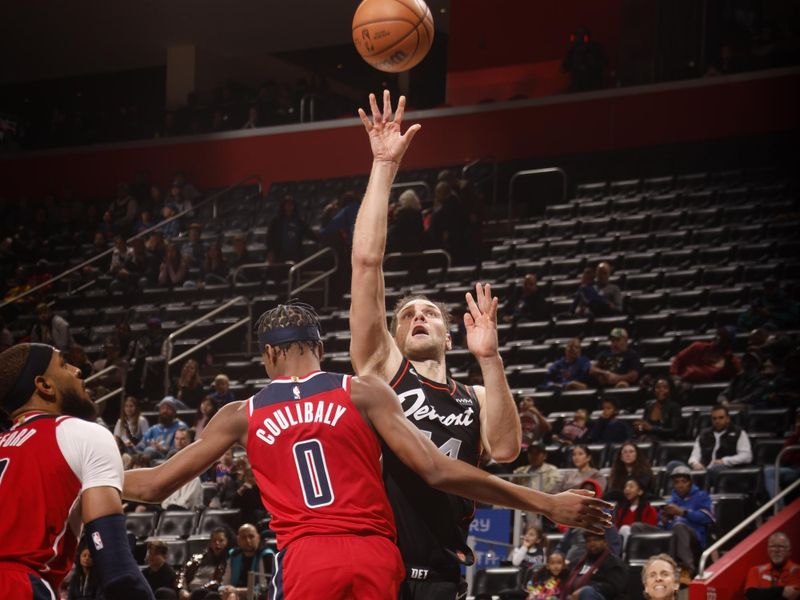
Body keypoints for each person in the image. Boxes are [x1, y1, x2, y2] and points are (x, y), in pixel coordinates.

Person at [122, 302, 612, 600]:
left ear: (268, 354)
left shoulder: (240, 414)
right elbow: (440, 471)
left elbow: (155, 484)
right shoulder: (363, 391)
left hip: (307, 558)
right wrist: (547, 503)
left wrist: (80, 475)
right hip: (378, 555)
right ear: (318, 345)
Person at [351, 91, 523, 598]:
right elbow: (365, 264)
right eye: (406, 315)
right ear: (396, 335)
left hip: (442, 568)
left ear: (449, 333)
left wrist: (490, 360)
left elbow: (508, 449)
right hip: (378, 557)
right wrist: (384, 165)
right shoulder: (383, 368)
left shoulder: (476, 396)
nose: (418, 316)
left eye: (429, 312)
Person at [0, 343, 153, 599]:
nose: (77, 369)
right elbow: (117, 570)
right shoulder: (82, 433)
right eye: (63, 364)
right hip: (17, 588)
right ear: (44, 385)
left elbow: (154, 485)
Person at [631, 466, 715, 579]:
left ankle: (687, 569)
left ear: (690, 482)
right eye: (676, 482)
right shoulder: (671, 500)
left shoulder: (701, 496)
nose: (680, 485)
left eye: (683, 482)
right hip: (671, 535)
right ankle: (639, 566)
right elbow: (662, 524)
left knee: (679, 526)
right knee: (637, 527)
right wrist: (664, 520)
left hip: (694, 537)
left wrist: (683, 513)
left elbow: (708, 518)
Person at [688, 404, 753, 487]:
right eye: (714, 418)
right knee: (674, 465)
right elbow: (694, 455)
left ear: (728, 419)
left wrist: (724, 461)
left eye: (721, 418)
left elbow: (747, 456)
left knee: (714, 469)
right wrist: (695, 463)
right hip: (703, 469)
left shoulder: (739, 433)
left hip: (726, 470)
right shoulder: (703, 434)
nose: (717, 421)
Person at [560, 531, 628, 600]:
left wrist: (588, 589)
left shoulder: (613, 562)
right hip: (574, 597)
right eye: (588, 541)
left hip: (602, 596)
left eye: (596, 540)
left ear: (605, 542)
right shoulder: (582, 561)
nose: (592, 543)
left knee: (587, 592)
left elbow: (614, 587)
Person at [218, 524, 274, 598]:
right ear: (238, 540)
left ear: (258, 538)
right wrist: (225, 589)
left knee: (231, 595)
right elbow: (225, 582)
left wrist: (237, 590)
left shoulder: (266, 555)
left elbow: (265, 587)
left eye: (251, 537)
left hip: (258, 595)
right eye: (243, 537)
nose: (248, 540)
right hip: (234, 593)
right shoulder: (234, 555)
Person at [671, 327, 741, 384]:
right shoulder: (698, 346)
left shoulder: (731, 360)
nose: (718, 338)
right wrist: (675, 376)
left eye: (724, 338)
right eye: (719, 335)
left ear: (729, 343)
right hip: (685, 382)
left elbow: (739, 375)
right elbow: (679, 359)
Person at [177, 527, 230, 599]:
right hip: (189, 590)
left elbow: (218, 582)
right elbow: (182, 573)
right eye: (214, 541)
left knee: (200, 593)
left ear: (227, 542)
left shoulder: (227, 562)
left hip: (205, 592)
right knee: (165, 592)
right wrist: (182, 589)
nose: (217, 543)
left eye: (221, 540)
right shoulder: (197, 558)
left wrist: (194, 593)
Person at [745, 532, 800, 600]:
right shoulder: (756, 570)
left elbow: (792, 596)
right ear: (768, 550)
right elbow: (751, 595)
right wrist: (781, 591)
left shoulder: (797, 571)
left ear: (789, 551)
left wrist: (763, 594)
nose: (776, 550)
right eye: (772, 546)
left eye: (781, 546)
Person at [266, 195, 317, 264]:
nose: (289, 207)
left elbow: (309, 232)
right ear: (283, 206)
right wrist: (270, 251)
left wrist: (319, 238)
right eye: (287, 205)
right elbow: (269, 237)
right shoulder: (276, 221)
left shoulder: (299, 221)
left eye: (291, 205)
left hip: (295, 254)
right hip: (280, 254)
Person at [763, 414, 800, 501]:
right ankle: (780, 509)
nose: (799, 424)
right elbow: (785, 457)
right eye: (798, 422)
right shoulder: (794, 437)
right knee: (768, 471)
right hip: (794, 469)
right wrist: (796, 435)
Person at [614, 478, 658, 548]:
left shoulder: (649, 508)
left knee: (627, 527)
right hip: (624, 539)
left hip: (644, 541)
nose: (627, 489)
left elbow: (651, 528)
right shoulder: (621, 510)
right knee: (624, 529)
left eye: (631, 486)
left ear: (640, 491)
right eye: (625, 487)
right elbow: (617, 528)